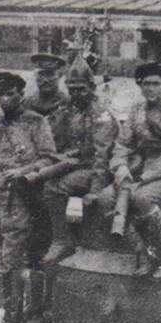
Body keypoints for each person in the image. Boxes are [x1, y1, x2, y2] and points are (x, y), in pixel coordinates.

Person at [93, 62, 161, 278]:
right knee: (105, 199)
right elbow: (123, 144)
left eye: (155, 84)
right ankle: (141, 254)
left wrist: (144, 178)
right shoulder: (136, 111)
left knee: (140, 198)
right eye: (145, 84)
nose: (150, 89)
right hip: (136, 169)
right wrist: (119, 167)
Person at [0, 71, 56, 323]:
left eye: (10, 93)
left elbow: (49, 156)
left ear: (21, 95)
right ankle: (7, 316)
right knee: (2, 259)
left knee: (13, 263)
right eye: (0, 94)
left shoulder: (35, 122)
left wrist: (23, 171)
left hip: (19, 199)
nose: (4, 99)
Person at [38, 56, 120, 266]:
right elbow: (57, 138)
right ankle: (67, 233)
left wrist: (94, 190)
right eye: (72, 89)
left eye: (81, 89)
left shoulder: (101, 115)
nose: (76, 94)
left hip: (98, 170)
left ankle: (62, 240)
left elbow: (102, 157)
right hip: (76, 164)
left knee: (55, 188)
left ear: (92, 87)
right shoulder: (71, 110)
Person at [23, 52, 68, 118]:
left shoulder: (66, 102)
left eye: (50, 74)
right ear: (35, 77)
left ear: (59, 76)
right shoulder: (28, 103)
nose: (45, 80)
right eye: (41, 75)